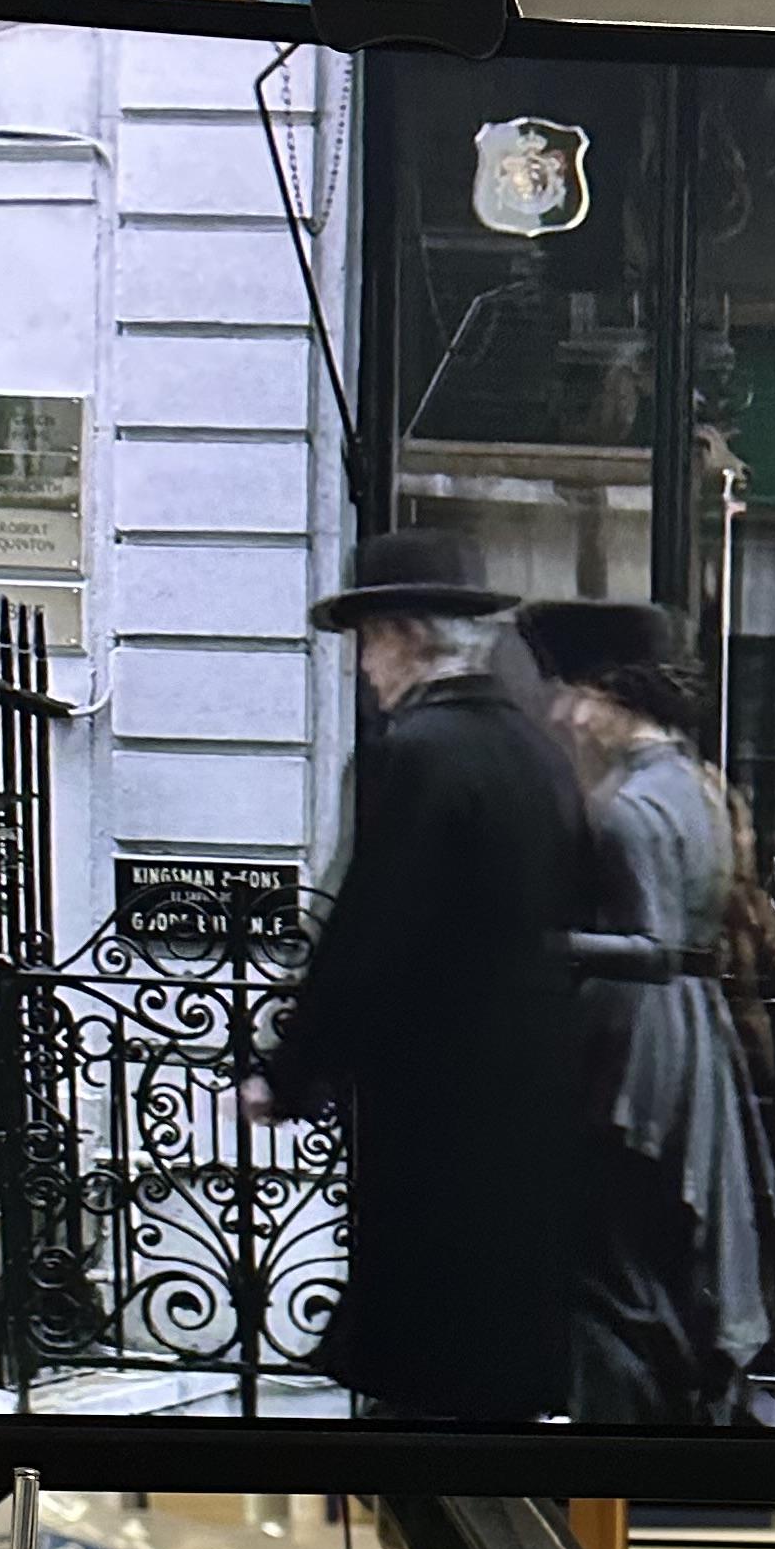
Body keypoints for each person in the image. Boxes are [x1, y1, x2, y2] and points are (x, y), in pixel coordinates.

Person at [258, 529, 592, 1419]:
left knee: (427, 1362)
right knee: (496, 1354)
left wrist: (291, 1072)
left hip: (439, 1091)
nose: (365, 667)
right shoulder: (534, 752)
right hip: (530, 1085)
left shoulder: (417, 751)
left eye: (370, 643)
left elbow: (370, 930)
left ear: (404, 636)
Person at [517, 598, 775, 1428]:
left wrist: (541, 942)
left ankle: (629, 1419)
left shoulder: (631, 806)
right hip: (691, 1026)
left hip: (639, 1037)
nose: (561, 716)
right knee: (656, 1241)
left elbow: (653, 946)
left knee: (616, 1250)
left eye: (570, 694)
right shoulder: (696, 787)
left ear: (610, 695)